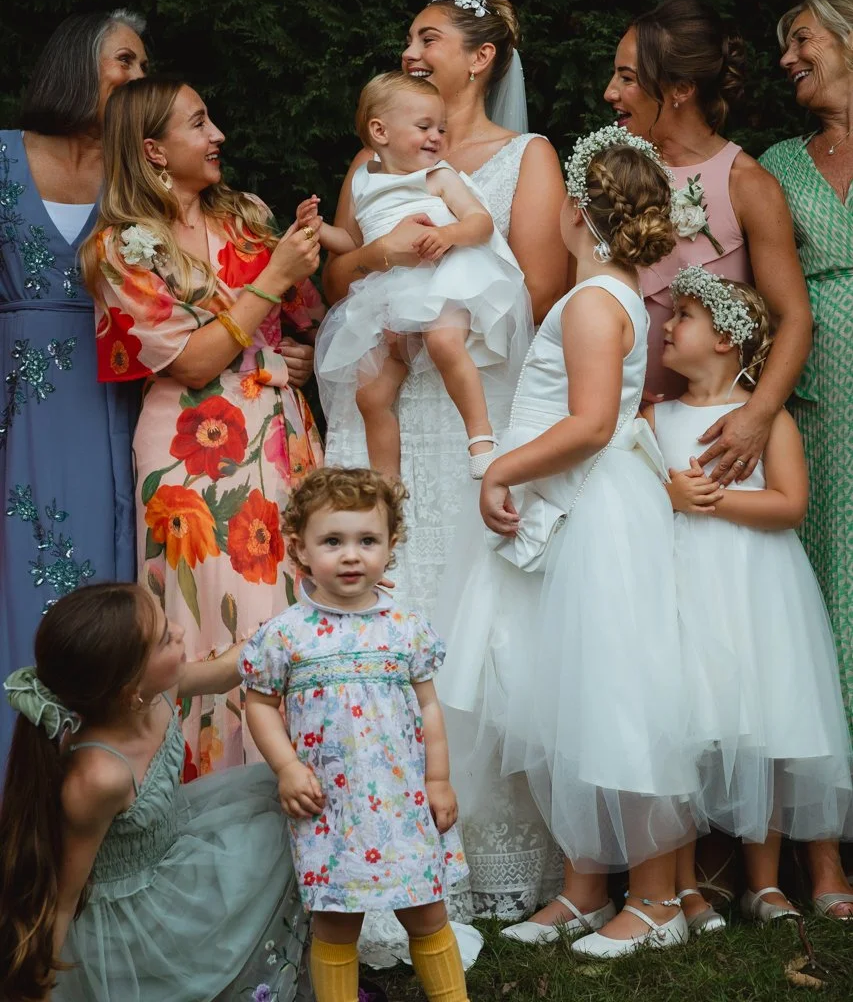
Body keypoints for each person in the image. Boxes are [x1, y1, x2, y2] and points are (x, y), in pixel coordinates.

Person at [323, 0, 566, 928]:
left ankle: (482, 851)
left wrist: (448, 292)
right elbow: (339, 274)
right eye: (408, 38)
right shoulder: (375, 152)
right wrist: (386, 260)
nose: (412, 49)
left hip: (472, 392)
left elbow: (542, 292)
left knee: (475, 613)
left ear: (482, 58)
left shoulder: (524, 159)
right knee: (381, 591)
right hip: (384, 394)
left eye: (428, 36)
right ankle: (374, 849)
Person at [441, 128, 704, 959]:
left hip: (592, 510)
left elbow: (592, 424)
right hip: (567, 506)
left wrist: (499, 470)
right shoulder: (606, 294)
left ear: (580, 212)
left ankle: (656, 900)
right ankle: (584, 886)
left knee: (618, 697)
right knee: (564, 696)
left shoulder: (594, 303)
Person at [79, 76, 324, 773]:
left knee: (293, 603)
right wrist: (270, 281)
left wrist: (299, 351)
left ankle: (306, 795)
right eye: (198, 123)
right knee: (207, 620)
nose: (217, 135)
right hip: (192, 459)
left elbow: (306, 314)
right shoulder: (117, 249)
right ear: (153, 149)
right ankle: (213, 815)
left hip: (280, 437)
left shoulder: (248, 214)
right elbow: (190, 361)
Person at [647, 267, 853, 930]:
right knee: (683, 726)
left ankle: (762, 883)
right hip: (682, 587)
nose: (666, 326)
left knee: (761, 726)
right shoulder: (653, 417)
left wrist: (710, 502)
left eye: (682, 315)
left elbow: (788, 504)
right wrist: (667, 500)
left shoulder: (765, 422)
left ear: (726, 342)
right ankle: (682, 884)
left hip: (753, 588)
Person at [0, 583, 305, 1002]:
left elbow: (227, 671)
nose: (181, 631)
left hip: (179, 846)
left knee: (289, 811)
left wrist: (315, 611)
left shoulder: (156, 692)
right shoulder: (99, 776)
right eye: (165, 638)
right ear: (130, 690)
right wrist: (38, 988)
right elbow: (63, 898)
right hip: (134, 918)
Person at [241, 467, 471, 1002]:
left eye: (367, 541)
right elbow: (260, 704)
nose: (351, 555)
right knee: (336, 921)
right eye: (333, 541)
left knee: (426, 909)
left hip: (401, 799)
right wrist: (287, 766)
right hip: (330, 806)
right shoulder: (285, 635)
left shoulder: (404, 628)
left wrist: (438, 779)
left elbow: (428, 708)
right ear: (300, 549)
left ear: (391, 547)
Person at [0, 9, 148, 771]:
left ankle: (91, 787)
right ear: (76, 64)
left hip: (115, 392)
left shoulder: (141, 176)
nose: (135, 77)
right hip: (17, 394)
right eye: (123, 60)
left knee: (104, 569)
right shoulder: (0, 159)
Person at [604, 0, 812, 486]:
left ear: (680, 88)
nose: (611, 91)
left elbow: (795, 317)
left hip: (704, 441)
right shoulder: (612, 177)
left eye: (628, 77)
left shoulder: (747, 184)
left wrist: (756, 417)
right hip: (614, 428)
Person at [307, 72, 529, 480]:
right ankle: (386, 484)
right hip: (390, 295)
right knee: (371, 395)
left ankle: (480, 437)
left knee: (444, 342)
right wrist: (320, 231)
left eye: (441, 128)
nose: (437, 137)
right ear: (381, 131)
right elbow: (351, 240)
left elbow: (480, 223)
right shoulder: (363, 180)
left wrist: (447, 234)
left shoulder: (438, 177)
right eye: (424, 127)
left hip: (441, 281)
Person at [762, 0, 853, 914]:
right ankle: (820, 859)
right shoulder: (779, 163)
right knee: (820, 616)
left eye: (802, 40)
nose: (790, 58)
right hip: (817, 405)